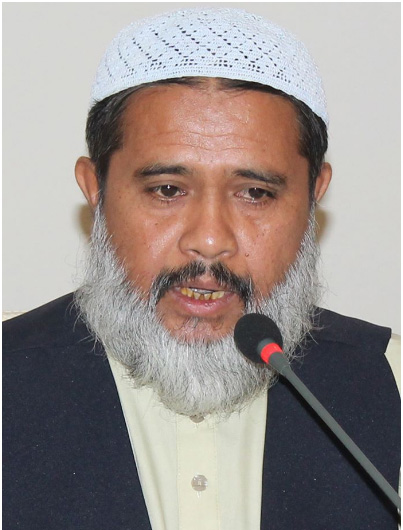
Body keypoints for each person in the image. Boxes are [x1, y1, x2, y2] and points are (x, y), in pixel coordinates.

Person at [3, 7, 400, 530]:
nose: (210, 240)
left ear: (314, 195)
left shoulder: (392, 381)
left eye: (255, 193)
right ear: (95, 189)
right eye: (168, 190)